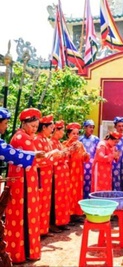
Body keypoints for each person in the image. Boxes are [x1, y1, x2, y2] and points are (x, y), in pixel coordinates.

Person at [5, 108, 45, 264]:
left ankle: (24, 251)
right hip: (22, 184)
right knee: (23, 216)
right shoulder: (22, 138)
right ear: (23, 123)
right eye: (32, 126)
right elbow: (36, 158)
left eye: (36, 126)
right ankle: (22, 252)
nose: (34, 129)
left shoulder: (23, 136)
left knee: (25, 215)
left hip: (25, 183)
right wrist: (52, 155)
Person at [34, 114, 62, 235]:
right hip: (41, 176)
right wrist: (53, 157)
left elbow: (52, 158)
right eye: (51, 127)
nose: (52, 130)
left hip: (48, 176)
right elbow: (39, 160)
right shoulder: (37, 139)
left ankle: (44, 229)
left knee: (46, 203)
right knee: (40, 203)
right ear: (44, 127)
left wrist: (59, 155)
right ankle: (38, 230)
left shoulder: (46, 140)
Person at [63, 122, 90, 223]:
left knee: (78, 192)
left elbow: (84, 158)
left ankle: (77, 214)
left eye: (77, 133)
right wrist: (70, 150)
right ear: (68, 134)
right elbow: (63, 157)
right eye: (73, 133)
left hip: (78, 173)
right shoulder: (65, 144)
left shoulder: (80, 144)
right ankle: (69, 215)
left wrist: (86, 155)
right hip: (69, 173)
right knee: (69, 193)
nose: (76, 136)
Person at [50, 120, 71, 231]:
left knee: (62, 197)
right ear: (56, 131)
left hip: (62, 174)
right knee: (55, 198)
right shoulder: (51, 142)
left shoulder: (59, 143)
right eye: (61, 130)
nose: (63, 132)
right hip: (56, 174)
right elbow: (53, 158)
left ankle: (62, 221)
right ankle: (54, 222)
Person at [79, 119, 100, 199]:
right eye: (90, 127)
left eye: (93, 127)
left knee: (92, 184)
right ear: (85, 128)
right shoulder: (80, 139)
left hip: (92, 167)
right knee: (82, 183)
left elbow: (97, 153)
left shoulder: (96, 139)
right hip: (82, 166)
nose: (92, 129)